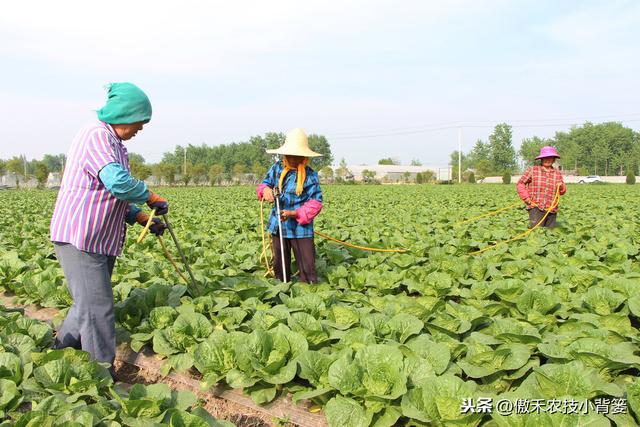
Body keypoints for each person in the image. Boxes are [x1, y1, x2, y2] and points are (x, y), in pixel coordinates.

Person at [50, 82, 169, 380]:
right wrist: (149, 195)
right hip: (81, 237)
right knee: (99, 309)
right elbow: (117, 182)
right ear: (125, 114)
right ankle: (102, 377)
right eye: (139, 122)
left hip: (99, 238)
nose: (140, 128)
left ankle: (57, 353)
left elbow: (110, 195)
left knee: (87, 304)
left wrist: (142, 217)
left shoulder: (116, 145)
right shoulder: (96, 135)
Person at [256, 128, 323, 283]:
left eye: (298, 155)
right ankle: (281, 291)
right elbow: (264, 184)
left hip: (301, 228)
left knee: (307, 269)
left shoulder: (310, 174)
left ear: (304, 157)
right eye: (291, 154)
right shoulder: (276, 169)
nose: (293, 158)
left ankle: (308, 290)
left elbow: (316, 202)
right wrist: (266, 191)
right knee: (280, 267)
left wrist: (295, 214)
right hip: (278, 225)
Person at [517, 146, 567, 228]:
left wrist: (561, 186)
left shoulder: (557, 173)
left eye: (550, 158)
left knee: (550, 236)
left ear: (554, 159)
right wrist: (526, 198)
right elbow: (520, 183)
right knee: (536, 233)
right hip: (536, 208)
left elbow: (562, 191)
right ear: (541, 159)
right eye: (545, 158)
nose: (548, 160)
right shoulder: (533, 170)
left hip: (552, 209)